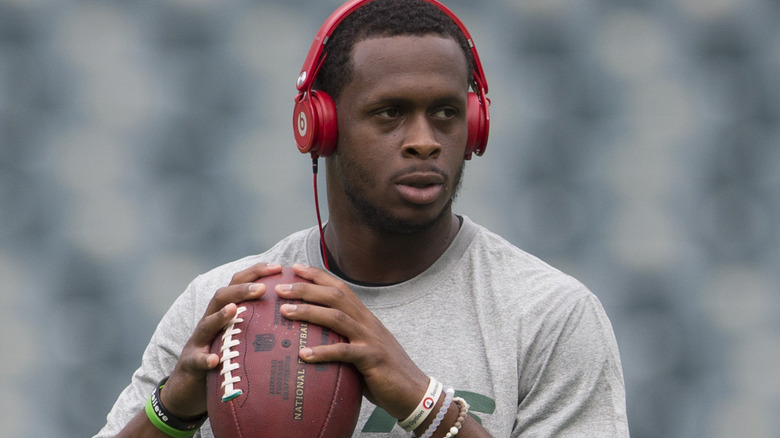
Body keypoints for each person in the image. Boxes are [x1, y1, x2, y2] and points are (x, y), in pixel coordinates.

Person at [96, 0, 629, 437]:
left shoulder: (549, 315)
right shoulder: (224, 306)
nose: (424, 142)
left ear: (474, 128)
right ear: (321, 127)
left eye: (445, 113)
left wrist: (425, 405)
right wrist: (173, 411)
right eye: (389, 113)